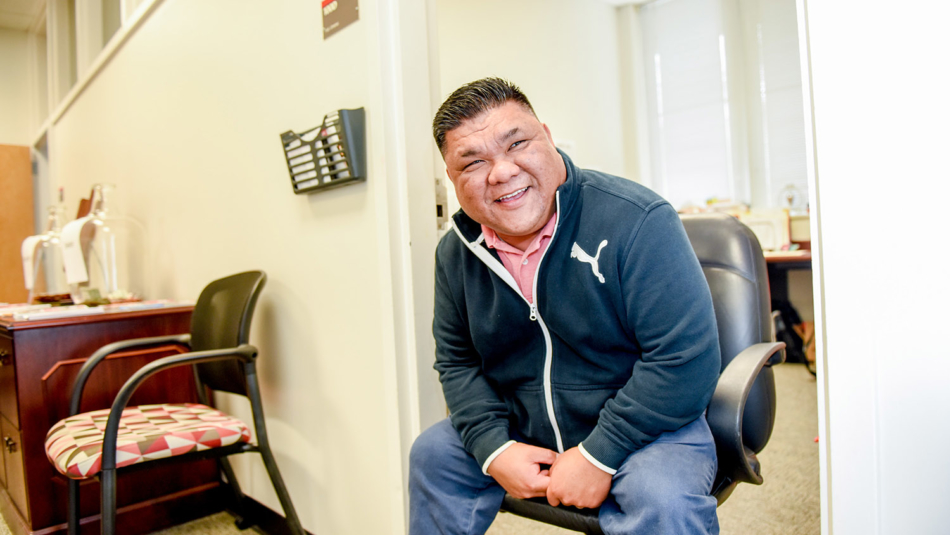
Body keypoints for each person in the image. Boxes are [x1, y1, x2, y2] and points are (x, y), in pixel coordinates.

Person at [410, 77, 722, 535]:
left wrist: (598, 454)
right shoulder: (455, 253)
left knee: (664, 499)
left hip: (645, 425)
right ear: (453, 181)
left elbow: (684, 360)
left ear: (548, 138)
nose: (500, 173)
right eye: (472, 163)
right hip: (524, 421)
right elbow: (457, 362)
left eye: (517, 143)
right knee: (433, 455)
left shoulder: (637, 219)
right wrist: (495, 449)